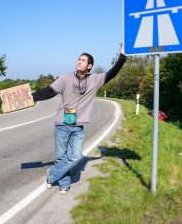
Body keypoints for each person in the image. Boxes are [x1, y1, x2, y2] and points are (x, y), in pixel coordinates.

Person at [32, 47, 126, 194]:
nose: (79, 62)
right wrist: (30, 97)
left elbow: (112, 74)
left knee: (75, 157)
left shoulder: (95, 80)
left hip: (78, 126)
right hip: (62, 123)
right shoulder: (65, 78)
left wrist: (122, 57)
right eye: (79, 59)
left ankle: (51, 176)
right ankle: (64, 184)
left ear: (89, 66)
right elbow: (49, 92)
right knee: (60, 158)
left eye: (83, 60)